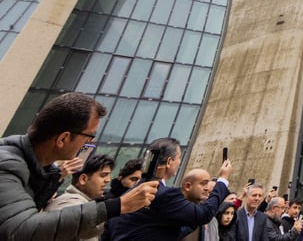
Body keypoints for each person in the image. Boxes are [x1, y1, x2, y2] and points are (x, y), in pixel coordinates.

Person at [0, 91, 157, 241]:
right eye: (89, 136)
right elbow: (20, 231)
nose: (90, 143)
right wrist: (117, 206)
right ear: (63, 138)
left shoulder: (41, 171)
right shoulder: (7, 166)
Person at [107, 138, 232, 240]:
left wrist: (191, 220)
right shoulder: (163, 194)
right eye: (178, 158)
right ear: (169, 162)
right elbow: (204, 214)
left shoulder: (132, 191)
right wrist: (222, 180)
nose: (179, 162)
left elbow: (162, 232)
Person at [45, 153, 116, 241]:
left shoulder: (74, 202)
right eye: (103, 175)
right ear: (83, 179)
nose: (108, 180)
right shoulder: (75, 205)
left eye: (109, 175)